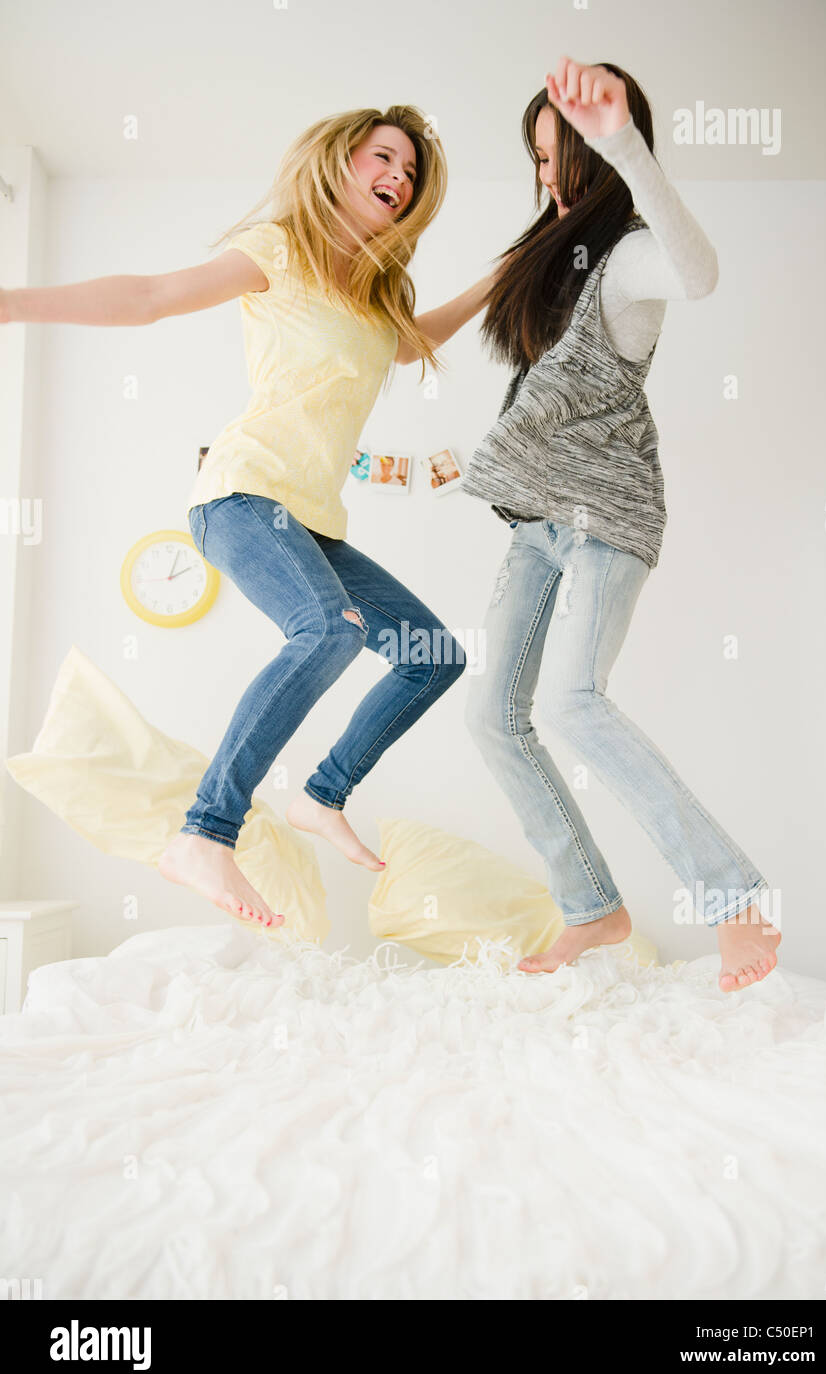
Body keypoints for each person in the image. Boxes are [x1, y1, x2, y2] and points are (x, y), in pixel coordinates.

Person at [1, 105, 496, 931]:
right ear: (340, 166)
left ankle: (322, 794)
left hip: (312, 520)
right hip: (240, 493)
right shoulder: (279, 250)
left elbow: (414, 341)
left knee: (432, 656)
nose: (399, 180)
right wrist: (11, 303)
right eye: (385, 159)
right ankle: (205, 832)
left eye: (410, 173)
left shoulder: (379, 294)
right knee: (330, 629)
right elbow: (151, 296)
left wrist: (504, 276)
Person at [461, 58, 781, 993]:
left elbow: (702, 272)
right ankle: (591, 908)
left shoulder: (632, 254)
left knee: (571, 700)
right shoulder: (541, 269)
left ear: (601, 157)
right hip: (535, 518)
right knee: (491, 714)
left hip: (607, 510)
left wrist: (623, 145)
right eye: (537, 159)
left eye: (564, 157)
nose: (549, 178)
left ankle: (735, 899)